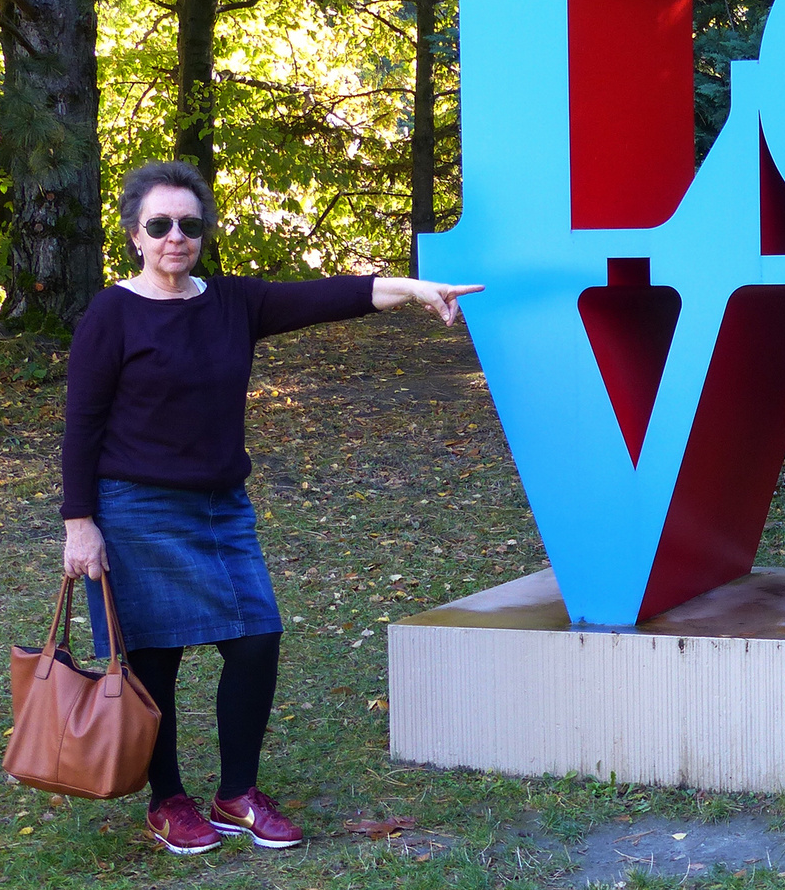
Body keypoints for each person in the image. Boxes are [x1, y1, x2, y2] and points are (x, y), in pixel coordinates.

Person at [59, 161, 482, 855]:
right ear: (136, 234)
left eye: (189, 225)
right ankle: (167, 801)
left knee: (256, 637)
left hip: (221, 509)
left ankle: (237, 793)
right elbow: (82, 425)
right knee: (153, 659)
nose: (175, 237)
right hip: (135, 509)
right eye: (160, 225)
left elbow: (332, 296)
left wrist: (411, 288)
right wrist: (81, 524)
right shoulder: (112, 314)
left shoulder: (233, 303)